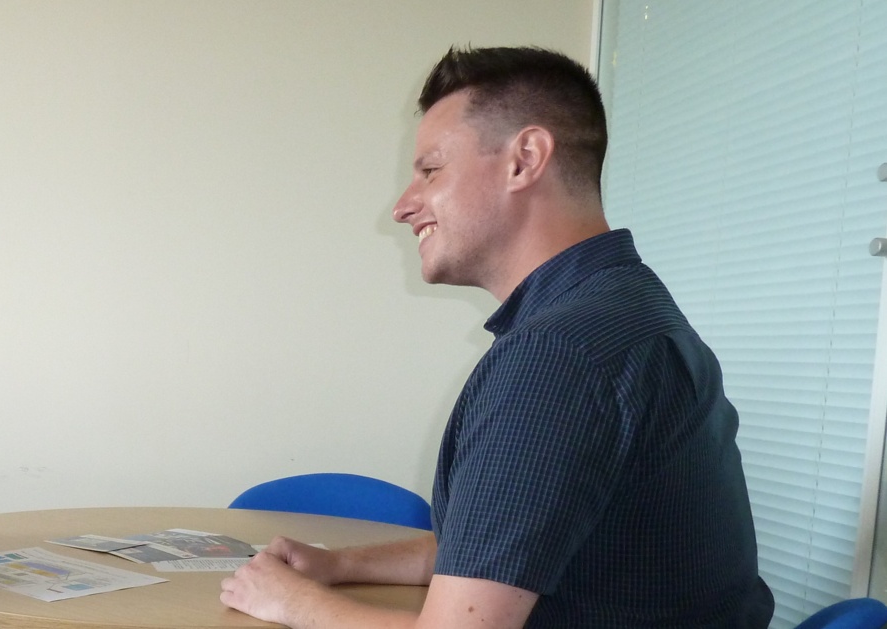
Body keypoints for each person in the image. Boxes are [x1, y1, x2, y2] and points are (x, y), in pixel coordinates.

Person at [220, 46, 774, 628]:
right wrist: (336, 565)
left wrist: (290, 600)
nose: (403, 207)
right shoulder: (627, 312)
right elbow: (506, 550)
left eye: (430, 170)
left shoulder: (560, 355)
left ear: (525, 159)